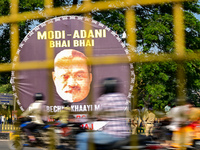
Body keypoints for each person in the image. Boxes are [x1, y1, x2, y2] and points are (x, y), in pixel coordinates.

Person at [76, 77, 130, 150]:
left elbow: (92, 115)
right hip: (125, 134)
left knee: (81, 137)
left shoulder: (104, 98)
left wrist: (78, 120)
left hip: (112, 134)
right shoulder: (123, 97)